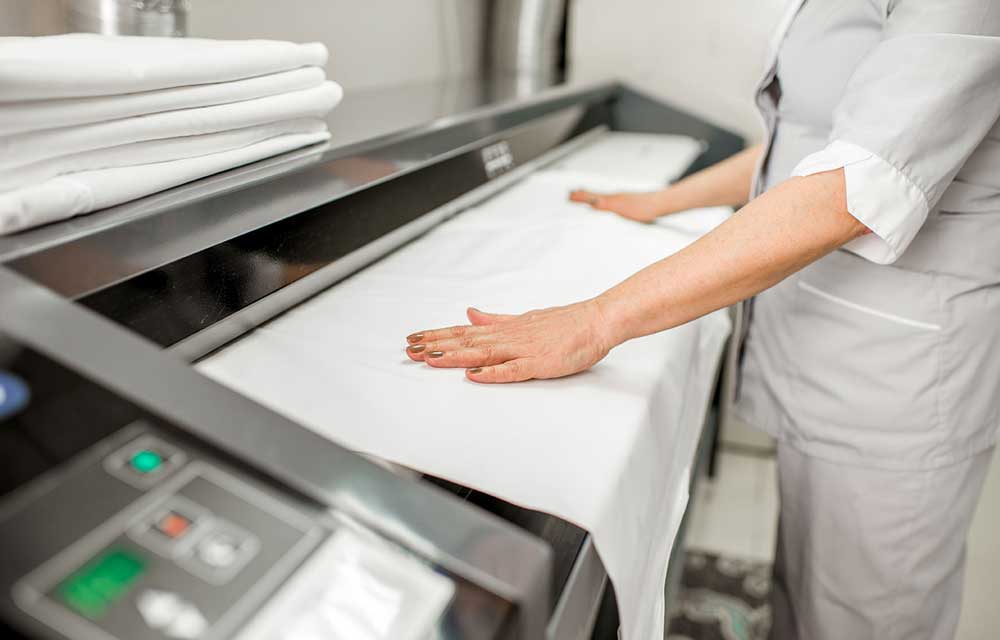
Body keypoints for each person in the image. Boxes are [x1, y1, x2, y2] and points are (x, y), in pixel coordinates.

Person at [404, 1, 1000, 638]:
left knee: (866, 616)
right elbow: (808, 147)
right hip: (837, 350)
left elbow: (858, 182)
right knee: (809, 598)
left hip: (898, 377)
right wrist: (663, 199)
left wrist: (597, 319)